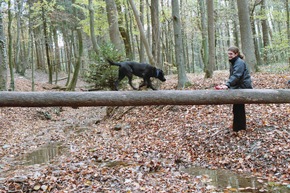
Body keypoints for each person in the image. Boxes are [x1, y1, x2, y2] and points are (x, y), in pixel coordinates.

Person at [215, 46, 253, 132]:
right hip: (238, 86)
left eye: (231, 54)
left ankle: (239, 128)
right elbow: (233, 76)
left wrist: (227, 85)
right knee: (237, 107)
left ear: (236, 54)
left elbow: (237, 75)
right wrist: (226, 84)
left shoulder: (239, 62)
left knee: (238, 107)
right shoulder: (234, 62)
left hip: (243, 87)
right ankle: (238, 127)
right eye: (228, 54)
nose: (229, 55)